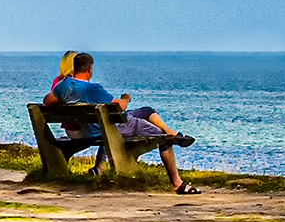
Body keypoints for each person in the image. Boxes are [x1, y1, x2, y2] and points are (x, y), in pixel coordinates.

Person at [44, 52, 199, 194]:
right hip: (109, 129)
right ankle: (177, 183)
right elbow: (120, 106)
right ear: (90, 69)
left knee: (146, 111)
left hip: (91, 130)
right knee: (163, 138)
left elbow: (47, 101)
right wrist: (126, 98)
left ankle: (171, 131)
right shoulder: (94, 89)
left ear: (75, 68)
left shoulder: (64, 85)